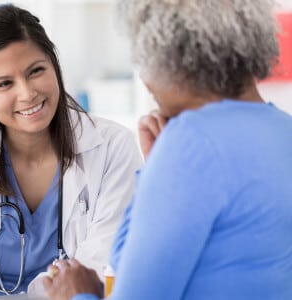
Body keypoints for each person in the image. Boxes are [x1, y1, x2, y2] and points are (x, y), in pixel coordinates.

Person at [43, 0, 292, 299]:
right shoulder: (282, 130)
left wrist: (75, 293)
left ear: (169, 57)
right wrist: (156, 169)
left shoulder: (191, 144)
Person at [0, 3, 142, 298]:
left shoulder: (112, 148)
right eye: (5, 84)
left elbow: (101, 263)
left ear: (54, 66)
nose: (27, 93)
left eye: (36, 71)